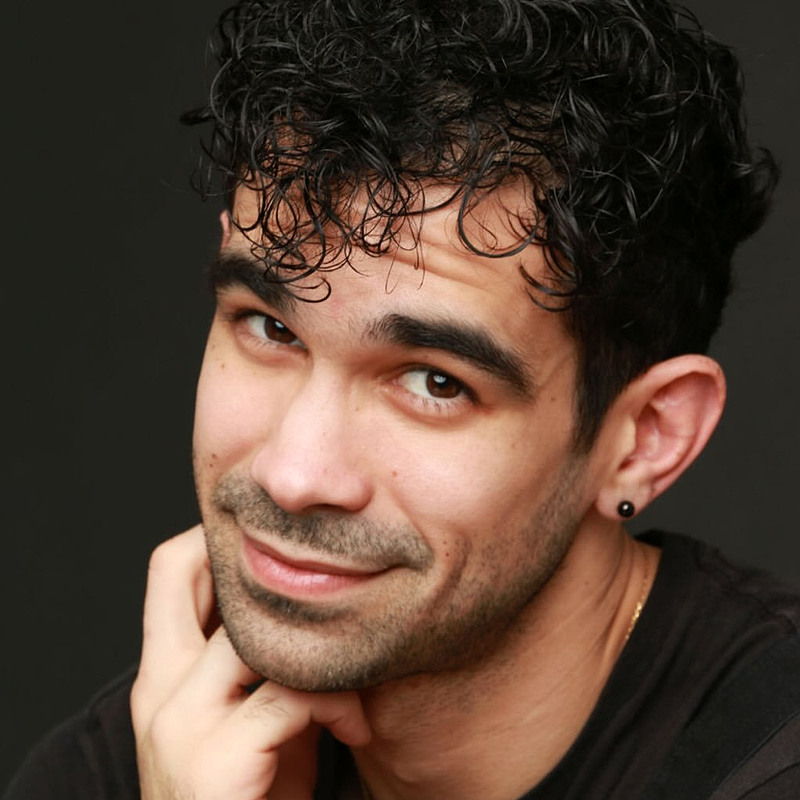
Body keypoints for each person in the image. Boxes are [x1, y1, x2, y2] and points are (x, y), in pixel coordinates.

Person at [5, 0, 798, 798]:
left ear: (644, 440)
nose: (295, 476)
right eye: (271, 328)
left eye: (435, 382)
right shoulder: (148, 764)